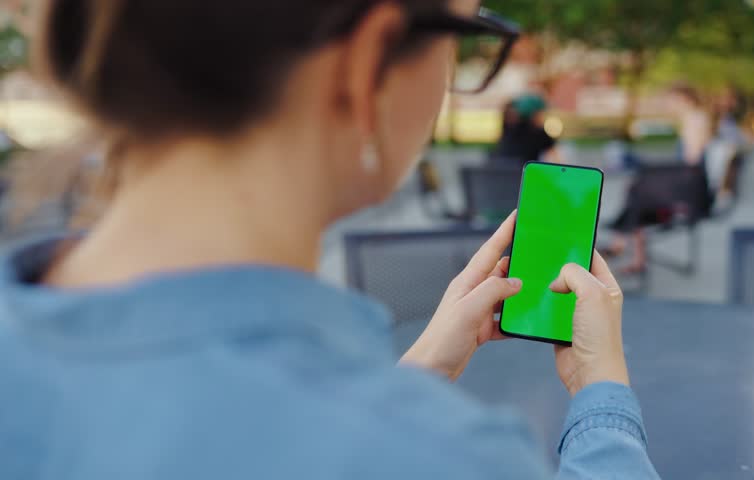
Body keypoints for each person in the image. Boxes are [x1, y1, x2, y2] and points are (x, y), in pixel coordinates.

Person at [0, 1, 659, 479]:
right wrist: (603, 392)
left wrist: (420, 369)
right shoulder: (448, 456)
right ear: (367, 62)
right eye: (463, 35)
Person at [606, 85, 714, 273]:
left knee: (638, 190)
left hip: (691, 191)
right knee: (639, 189)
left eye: (671, 101)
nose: (668, 106)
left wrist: (652, 168)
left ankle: (621, 244)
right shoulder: (697, 117)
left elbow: (692, 160)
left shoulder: (693, 119)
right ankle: (628, 250)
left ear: (684, 99)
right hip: (691, 185)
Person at [490, 94, 563, 165]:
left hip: (501, 168)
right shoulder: (537, 133)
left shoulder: (510, 128)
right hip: (520, 171)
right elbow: (554, 158)